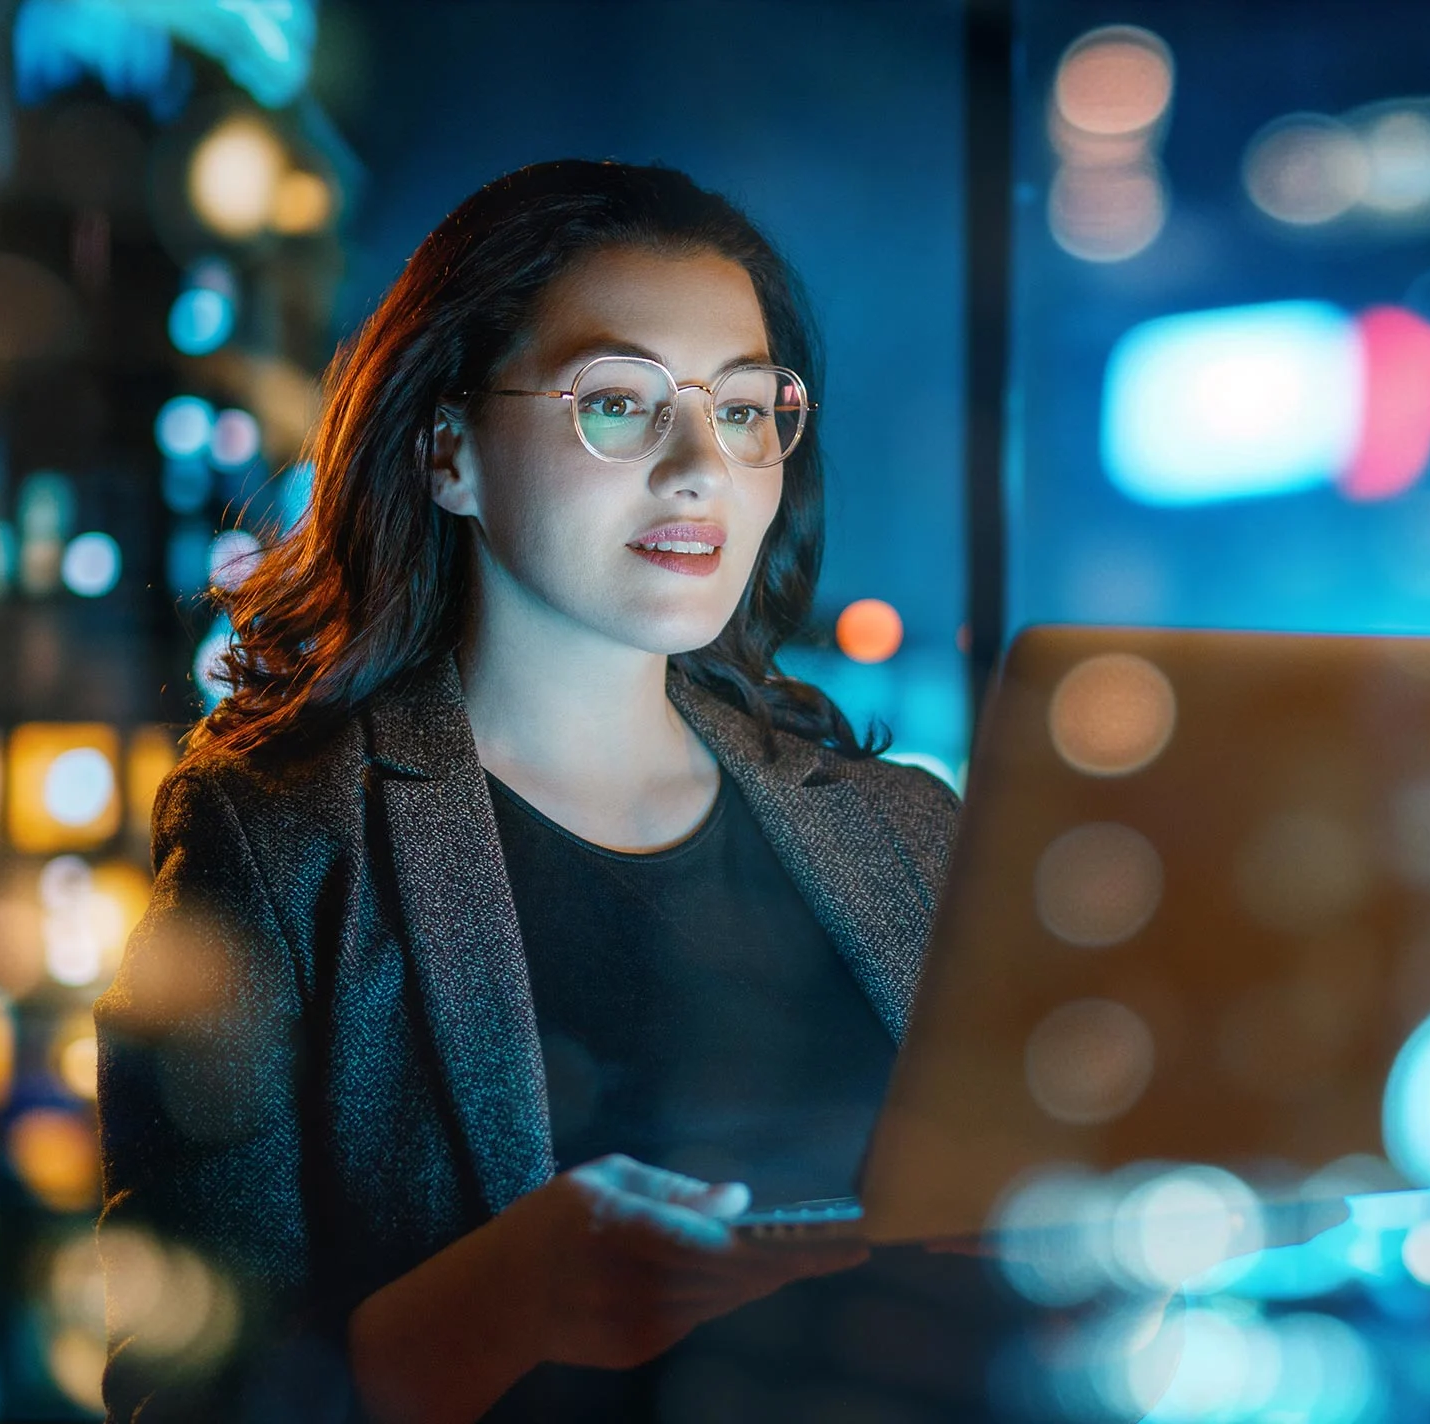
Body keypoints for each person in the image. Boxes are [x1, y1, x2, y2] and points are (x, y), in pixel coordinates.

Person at [94, 160, 1002, 1424]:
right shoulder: (284, 839)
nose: (702, 468)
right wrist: (493, 1305)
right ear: (448, 448)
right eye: (619, 402)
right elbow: (179, 1386)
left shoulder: (903, 827)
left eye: (745, 411)